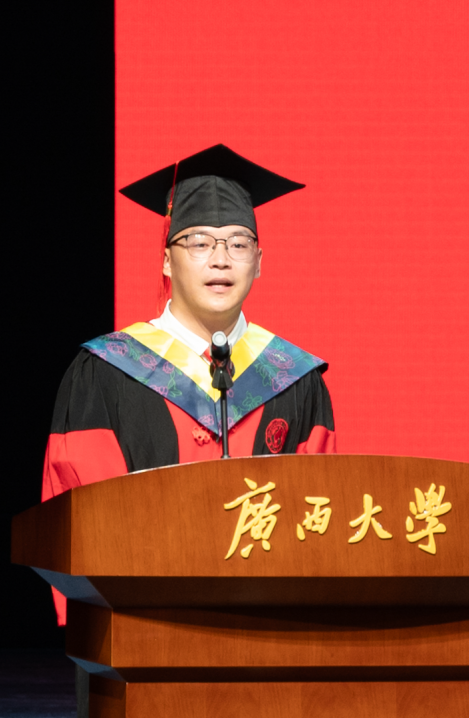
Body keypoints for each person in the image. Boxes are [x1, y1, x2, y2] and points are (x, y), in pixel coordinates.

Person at [41, 144, 336, 625]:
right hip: (142, 630)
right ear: (166, 261)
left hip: (269, 635)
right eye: (199, 243)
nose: (221, 260)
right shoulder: (107, 372)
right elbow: (80, 515)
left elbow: (317, 520)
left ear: (259, 261)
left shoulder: (292, 377)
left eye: (238, 244)